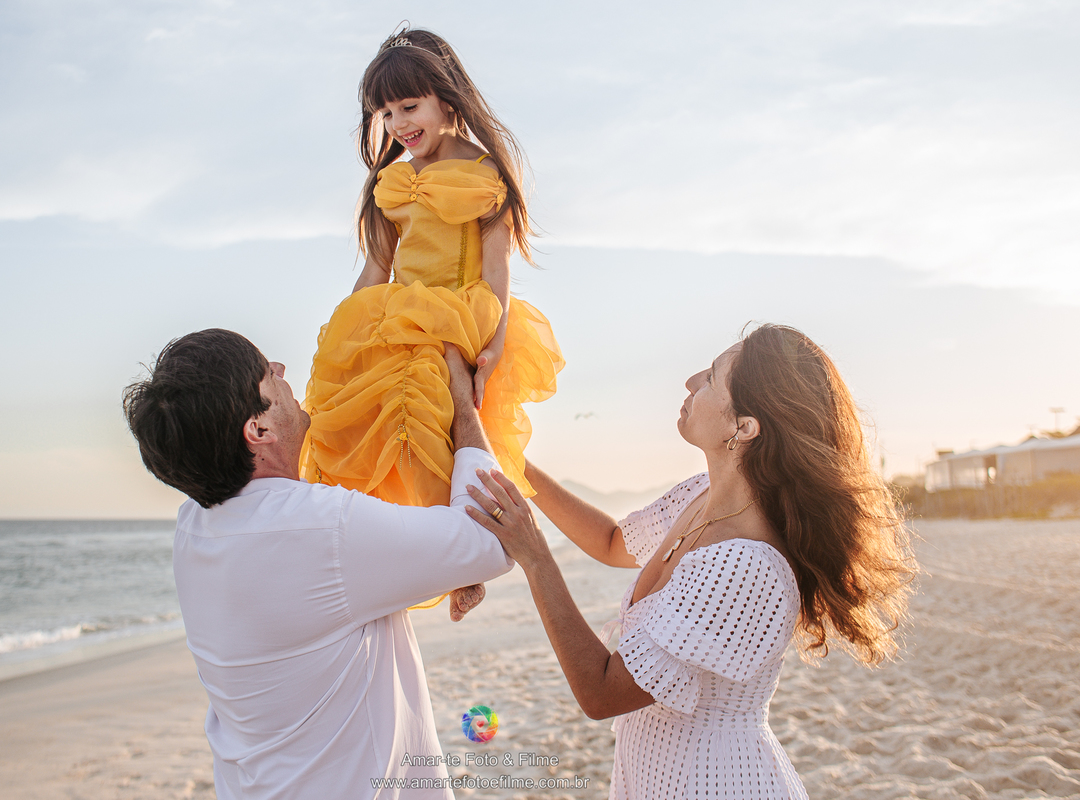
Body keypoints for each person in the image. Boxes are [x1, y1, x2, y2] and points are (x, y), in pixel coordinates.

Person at [462, 324, 918, 799]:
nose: (690, 381)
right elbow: (612, 541)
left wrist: (535, 556)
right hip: (659, 777)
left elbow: (601, 692)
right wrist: (518, 464)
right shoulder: (699, 497)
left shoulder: (747, 567)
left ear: (743, 427)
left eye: (712, 377)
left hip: (715, 784)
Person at [122, 328, 512, 800]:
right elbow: (493, 536)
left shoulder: (194, 527)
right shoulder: (324, 529)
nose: (283, 371)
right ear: (258, 430)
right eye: (269, 374)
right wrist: (461, 401)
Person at [299, 26, 565, 616]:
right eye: (386, 112)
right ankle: (421, 554)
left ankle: (474, 552)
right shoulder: (391, 181)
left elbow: (497, 270)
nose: (398, 124)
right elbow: (378, 266)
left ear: (447, 100)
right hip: (399, 308)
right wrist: (344, 333)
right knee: (390, 430)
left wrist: (492, 344)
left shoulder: (483, 172)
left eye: (409, 106)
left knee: (441, 414)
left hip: (460, 309)